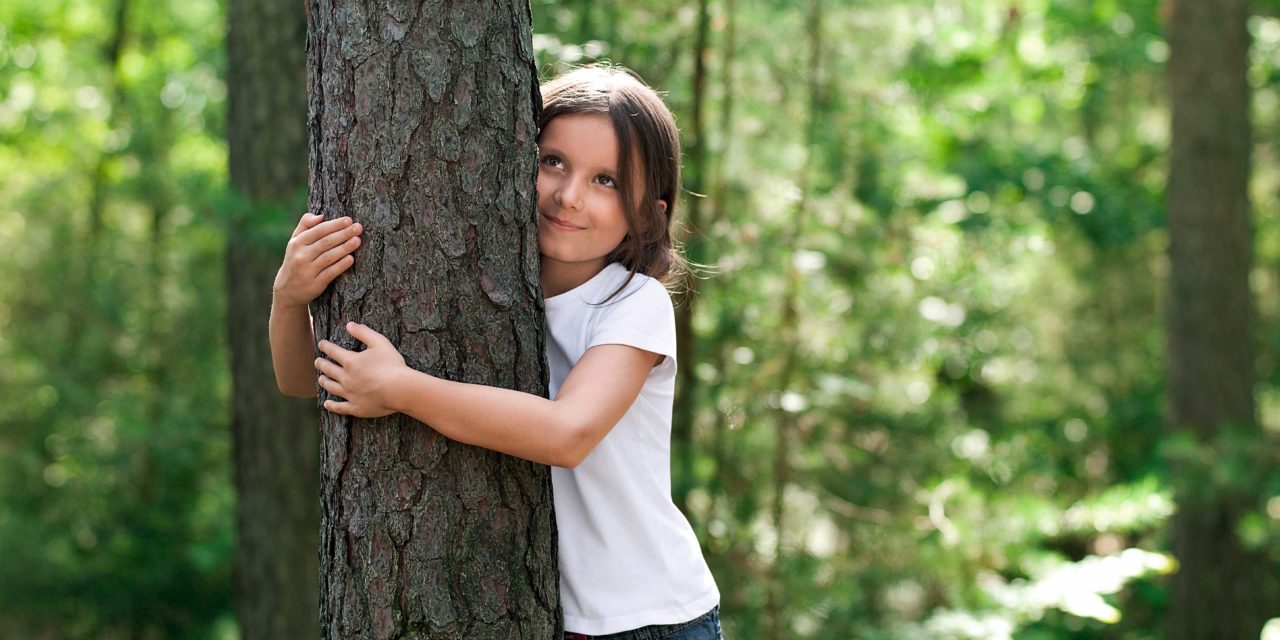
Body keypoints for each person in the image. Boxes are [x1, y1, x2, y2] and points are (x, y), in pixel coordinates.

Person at [268, 65, 723, 640]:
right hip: (549, 618)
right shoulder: (494, 287)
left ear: (650, 212)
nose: (568, 194)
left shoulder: (634, 304)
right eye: (552, 161)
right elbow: (301, 380)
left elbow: (567, 434)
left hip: (650, 618)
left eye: (606, 180)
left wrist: (403, 389)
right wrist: (289, 300)